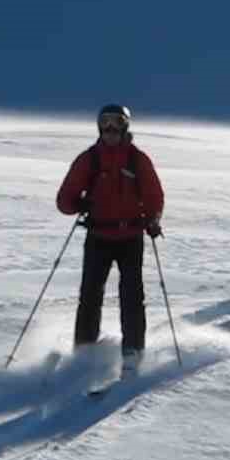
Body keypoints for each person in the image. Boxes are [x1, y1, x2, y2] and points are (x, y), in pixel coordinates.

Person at [56, 104, 165, 366]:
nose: (110, 129)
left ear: (125, 125)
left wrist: (153, 220)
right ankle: (84, 353)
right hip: (98, 237)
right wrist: (77, 204)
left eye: (116, 122)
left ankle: (133, 353)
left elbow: (154, 196)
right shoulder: (89, 159)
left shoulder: (137, 160)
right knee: (90, 296)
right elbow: (64, 199)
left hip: (130, 237)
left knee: (132, 297)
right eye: (105, 122)